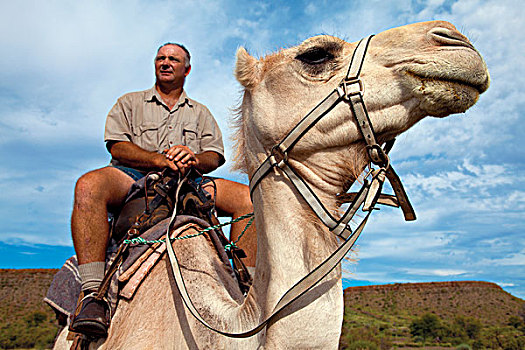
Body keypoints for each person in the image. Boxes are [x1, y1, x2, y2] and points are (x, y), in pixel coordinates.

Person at [69, 43, 256, 337]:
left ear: (187, 69)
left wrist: (194, 159)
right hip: (133, 176)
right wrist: (157, 158)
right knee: (88, 185)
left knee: (248, 198)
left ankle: (250, 288)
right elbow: (116, 145)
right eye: (161, 58)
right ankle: (93, 294)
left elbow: (215, 155)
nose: (166, 63)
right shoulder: (130, 103)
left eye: (173, 59)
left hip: (188, 180)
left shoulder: (201, 112)